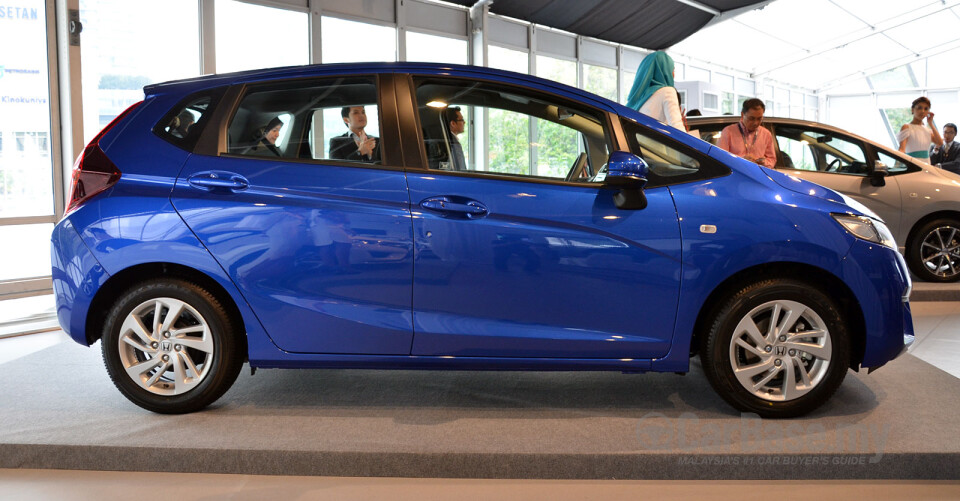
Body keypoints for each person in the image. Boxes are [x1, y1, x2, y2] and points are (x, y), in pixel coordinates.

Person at [625, 51, 685, 132]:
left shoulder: (640, 99)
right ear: (664, 70)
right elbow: (678, 128)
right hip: (656, 144)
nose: (673, 75)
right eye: (672, 70)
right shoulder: (668, 91)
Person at [717, 98, 776, 168]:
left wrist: (764, 162)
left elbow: (772, 160)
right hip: (736, 175)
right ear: (742, 115)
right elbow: (720, 158)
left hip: (758, 176)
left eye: (759, 119)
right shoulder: (728, 132)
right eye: (751, 118)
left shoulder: (766, 134)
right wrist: (741, 161)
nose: (755, 123)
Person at [898, 96, 943, 163]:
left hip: (927, 163)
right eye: (919, 108)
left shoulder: (928, 129)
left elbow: (940, 143)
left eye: (926, 109)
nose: (922, 111)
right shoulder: (907, 127)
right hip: (912, 163)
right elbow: (902, 149)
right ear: (912, 109)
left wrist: (930, 123)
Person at [443, 106, 467, 171]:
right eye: (462, 120)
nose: (464, 122)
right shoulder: (453, 143)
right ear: (453, 123)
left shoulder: (447, 139)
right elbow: (460, 170)